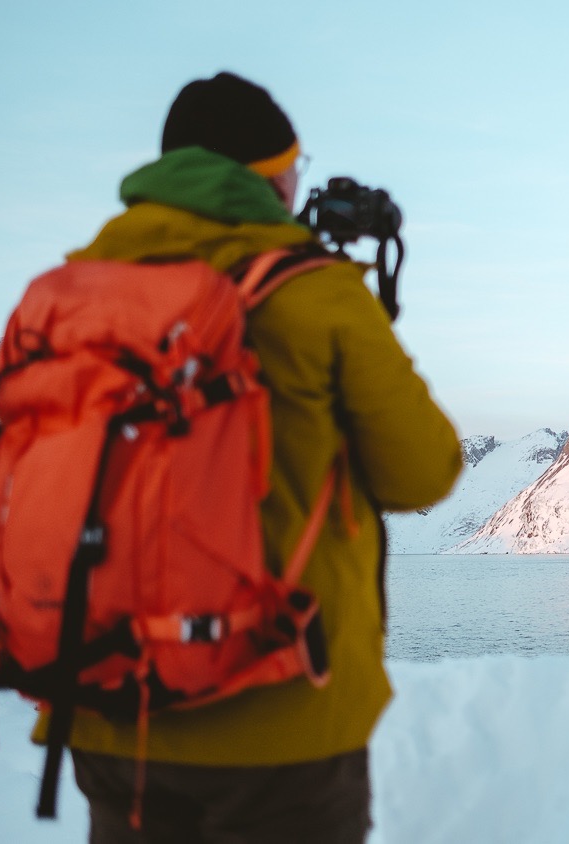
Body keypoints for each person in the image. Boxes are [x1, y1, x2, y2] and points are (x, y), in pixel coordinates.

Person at [55, 71, 463, 842]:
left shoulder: (80, 295)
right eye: (296, 167)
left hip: (115, 712)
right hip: (280, 716)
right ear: (272, 179)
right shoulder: (315, 294)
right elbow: (424, 469)